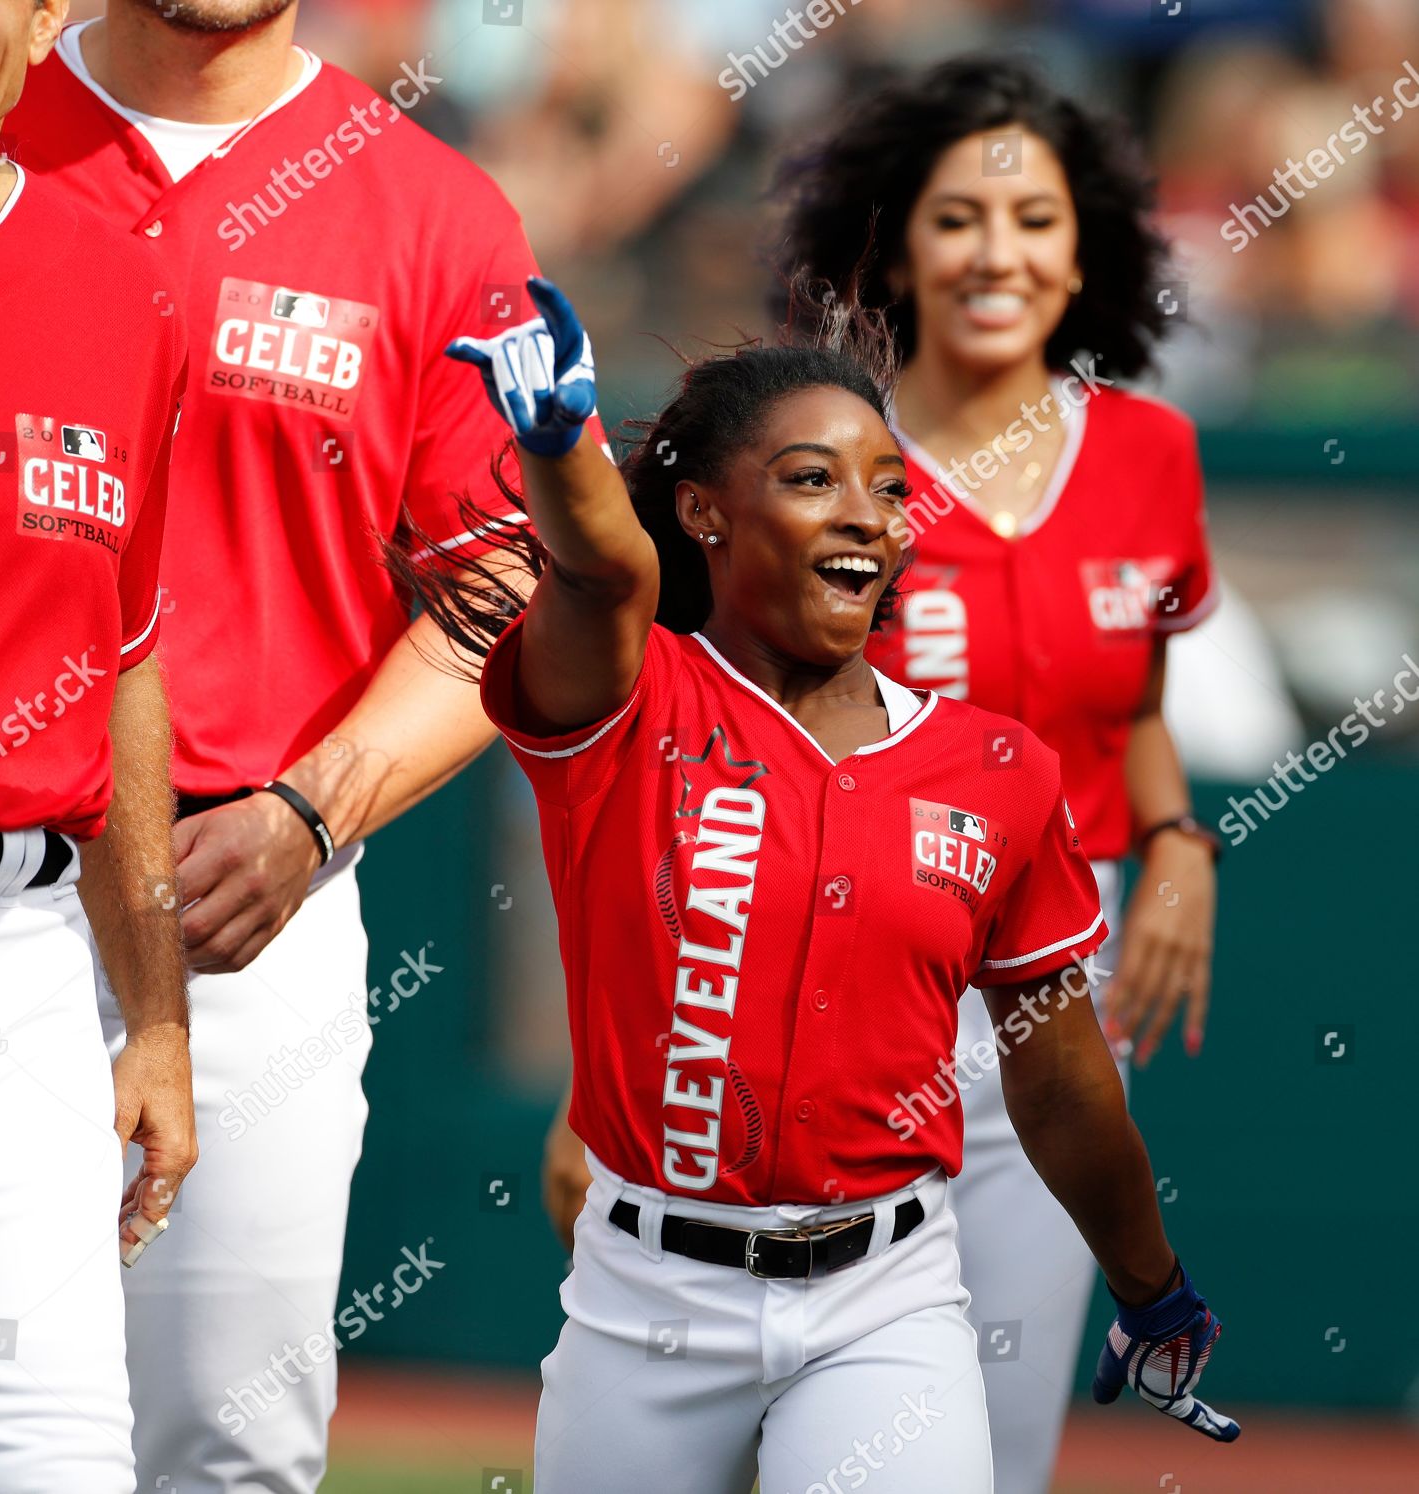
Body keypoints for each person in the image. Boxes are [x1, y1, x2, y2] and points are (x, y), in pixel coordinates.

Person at [405, 275, 1237, 1492]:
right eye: (811, 480)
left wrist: (1153, 1288)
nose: (871, 517)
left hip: (885, 1304)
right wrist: (557, 448)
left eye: (892, 489)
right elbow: (597, 575)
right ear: (704, 513)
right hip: (648, 1304)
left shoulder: (999, 767)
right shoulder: (631, 702)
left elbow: (1061, 1083)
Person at [3, 4, 564, 1488]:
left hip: (244, 903)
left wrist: (307, 817)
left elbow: (501, 597)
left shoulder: (436, 212)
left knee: (229, 1446)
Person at [759, 55, 1225, 1493]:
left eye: (1034, 218)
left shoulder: (1152, 453)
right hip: (820, 992)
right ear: (896, 241)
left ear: (1086, 249)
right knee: (765, 1436)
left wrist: (1179, 840)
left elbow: (1132, 703)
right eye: (957, 216)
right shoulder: (820, 454)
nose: (996, 252)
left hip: (1054, 1015)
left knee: (991, 1450)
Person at [0, 0, 195, 1487]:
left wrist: (154, 1019)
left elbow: (128, 667)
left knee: (56, 1462)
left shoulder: (122, 289)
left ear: (44, 13)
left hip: (9, 980)